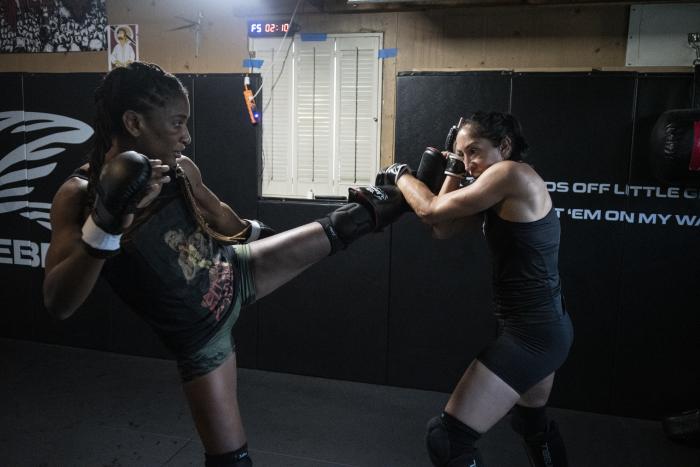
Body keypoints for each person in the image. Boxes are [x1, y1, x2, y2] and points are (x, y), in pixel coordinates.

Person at [42, 61, 406, 467]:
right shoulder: (80, 195)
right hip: (202, 337)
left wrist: (266, 239)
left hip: (237, 270)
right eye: (177, 123)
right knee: (232, 461)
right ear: (133, 122)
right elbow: (59, 302)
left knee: (351, 220)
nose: (187, 135)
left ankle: (414, 185)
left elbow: (218, 213)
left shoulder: (181, 168)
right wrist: (105, 225)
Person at [381, 112, 574, 467]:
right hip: (545, 329)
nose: (469, 163)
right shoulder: (496, 188)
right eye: (461, 154)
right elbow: (443, 228)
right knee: (531, 422)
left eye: (474, 152)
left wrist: (400, 175)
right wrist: (453, 168)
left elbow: (430, 209)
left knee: (447, 439)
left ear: (504, 146)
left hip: (532, 336)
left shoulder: (510, 174)